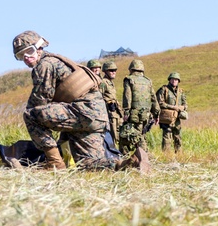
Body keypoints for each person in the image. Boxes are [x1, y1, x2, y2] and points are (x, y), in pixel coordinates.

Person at [11, 30, 148, 171]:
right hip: (97, 116)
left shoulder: (44, 65)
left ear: (39, 47)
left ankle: (54, 163)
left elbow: (39, 102)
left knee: (30, 114)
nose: (26, 57)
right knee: (86, 163)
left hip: (83, 112)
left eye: (29, 51)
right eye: (20, 56)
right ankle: (131, 163)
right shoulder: (57, 60)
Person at [120, 59, 159, 155]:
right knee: (142, 134)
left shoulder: (129, 79)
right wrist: (156, 114)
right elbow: (153, 98)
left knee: (126, 136)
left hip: (134, 114)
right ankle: (144, 156)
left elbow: (127, 97)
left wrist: (126, 112)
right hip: (146, 115)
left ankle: (126, 158)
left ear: (131, 69)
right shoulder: (148, 81)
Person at [156, 72, 188, 153]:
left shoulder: (180, 91)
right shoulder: (164, 90)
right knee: (167, 137)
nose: (174, 81)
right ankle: (166, 156)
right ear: (169, 80)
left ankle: (179, 155)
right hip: (167, 118)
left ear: (178, 81)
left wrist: (182, 107)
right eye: (173, 79)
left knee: (178, 137)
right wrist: (173, 107)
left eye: (176, 79)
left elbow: (185, 104)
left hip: (177, 117)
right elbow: (160, 103)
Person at [100, 61, 122, 145]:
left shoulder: (110, 82)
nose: (113, 72)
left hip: (115, 112)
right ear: (105, 71)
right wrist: (107, 103)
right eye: (111, 70)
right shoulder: (103, 82)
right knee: (112, 136)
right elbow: (99, 97)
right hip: (109, 113)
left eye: (115, 70)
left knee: (117, 134)